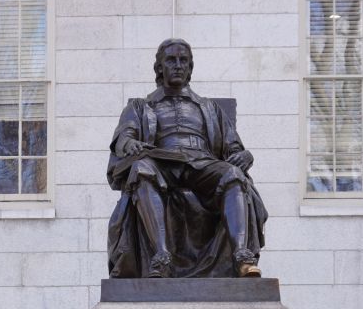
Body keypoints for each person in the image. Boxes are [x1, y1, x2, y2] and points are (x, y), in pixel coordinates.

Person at [106, 39, 267, 279]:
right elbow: (124, 137)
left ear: (190, 68)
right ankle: (160, 257)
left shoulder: (209, 108)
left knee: (233, 174)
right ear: (160, 68)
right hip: (162, 163)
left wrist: (245, 155)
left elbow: (233, 147)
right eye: (171, 60)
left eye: (184, 61)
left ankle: (242, 257)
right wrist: (130, 143)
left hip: (202, 164)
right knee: (141, 169)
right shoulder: (141, 106)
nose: (178, 65)